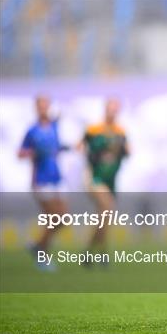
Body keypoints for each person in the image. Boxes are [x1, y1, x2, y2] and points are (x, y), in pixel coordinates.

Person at [19, 95, 68, 271]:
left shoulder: (54, 127)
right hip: (41, 179)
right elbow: (21, 153)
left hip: (57, 177)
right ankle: (41, 254)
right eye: (40, 105)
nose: (44, 108)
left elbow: (56, 147)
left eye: (46, 105)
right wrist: (33, 152)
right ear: (36, 108)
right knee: (55, 217)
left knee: (62, 219)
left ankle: (38, 247)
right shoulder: (32, 131)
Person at [80, 98, 129, 260]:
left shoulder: (120, 132)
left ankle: (90, 251)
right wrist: (95, 155)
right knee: (107, 209)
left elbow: (128, 151)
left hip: (110, 179)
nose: (113, 112)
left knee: (105, 216)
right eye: (110, 108)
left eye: (116, 109)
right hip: (95, 177)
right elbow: (79, 146)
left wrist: (120, 150)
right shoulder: (94, 129)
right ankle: (101, 253)